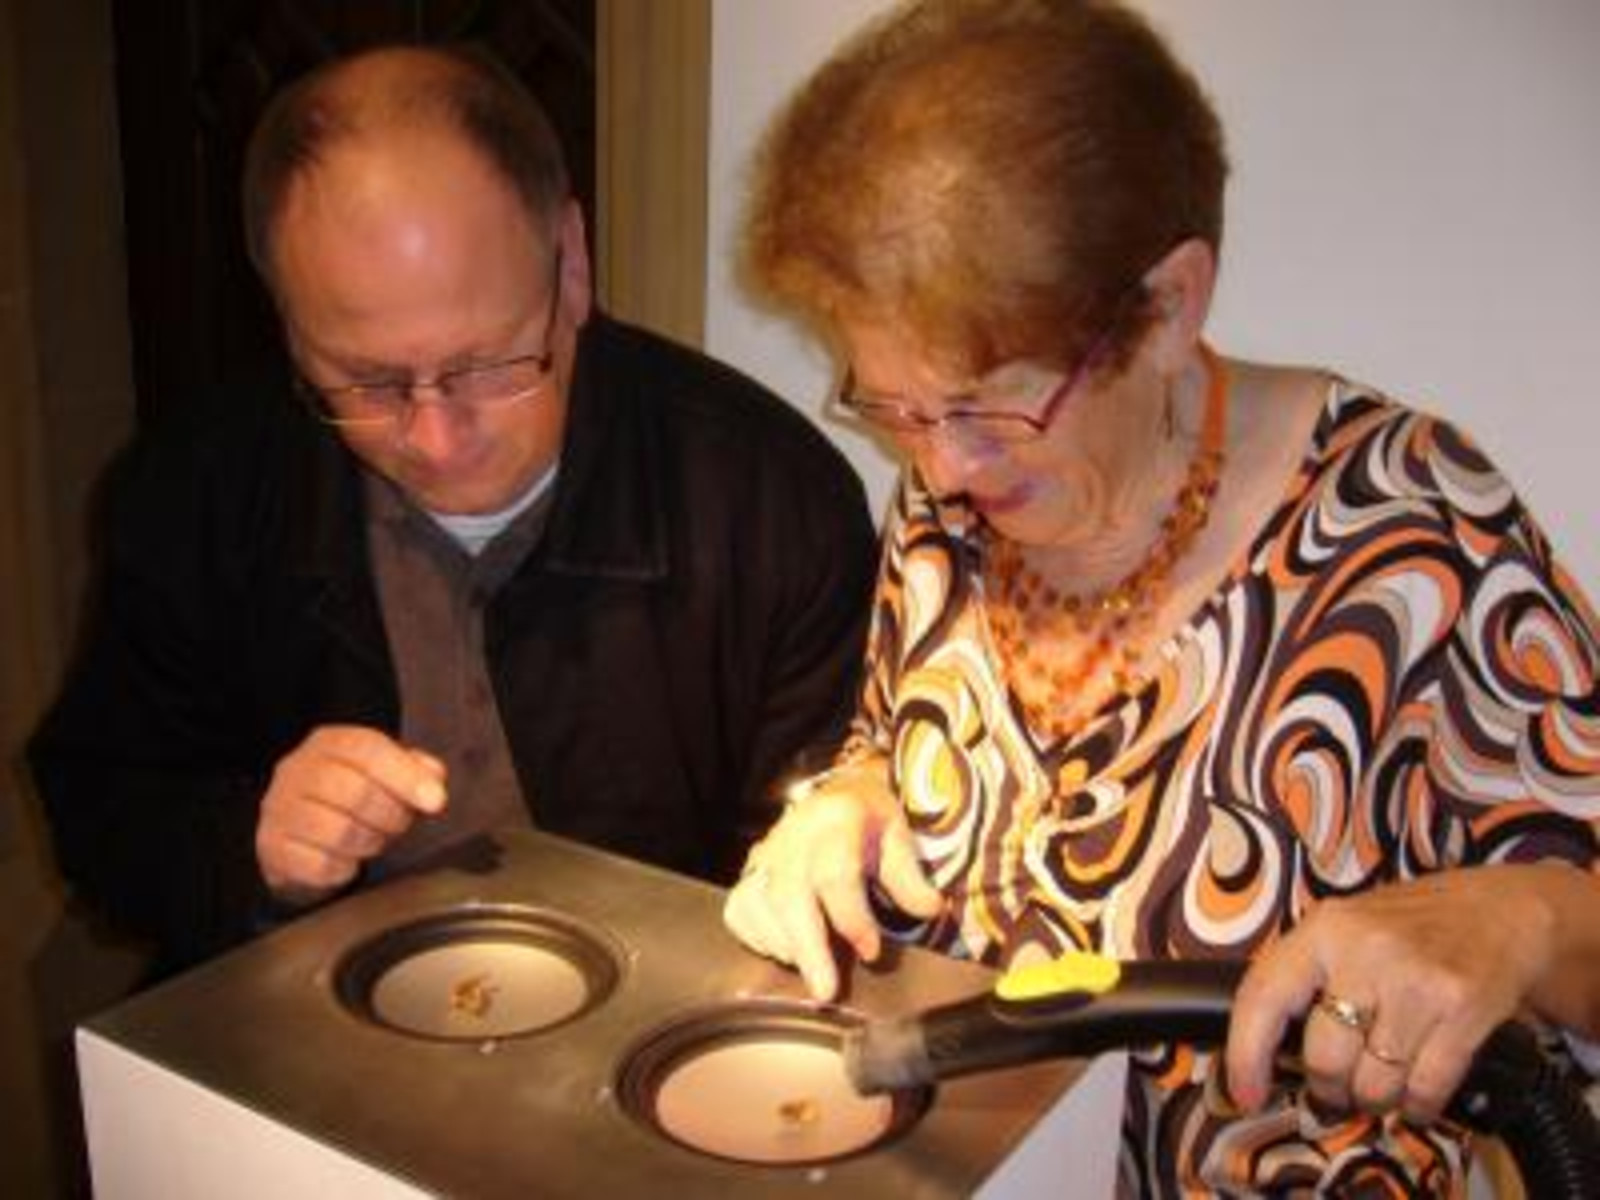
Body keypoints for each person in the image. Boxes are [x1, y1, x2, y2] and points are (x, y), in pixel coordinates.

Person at [720, 1, 1600, 1193]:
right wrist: (851, 800)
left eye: (991, 402)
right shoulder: (954, 496)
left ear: (1170, 306)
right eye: (897, 409)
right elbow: (899, 737)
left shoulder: (1411, 534)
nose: (941, 469)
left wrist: (1518, 920)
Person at [30, 45, 878, 979]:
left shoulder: (769, 502)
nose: (435, 440)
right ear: (289, 328)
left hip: (649, 1033)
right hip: (307, 1028)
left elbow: (811, 868)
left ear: (572, 265)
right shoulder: (199, 490)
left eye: (483, 365)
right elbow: (101, 809)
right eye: (367, 382)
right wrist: (251, 847)